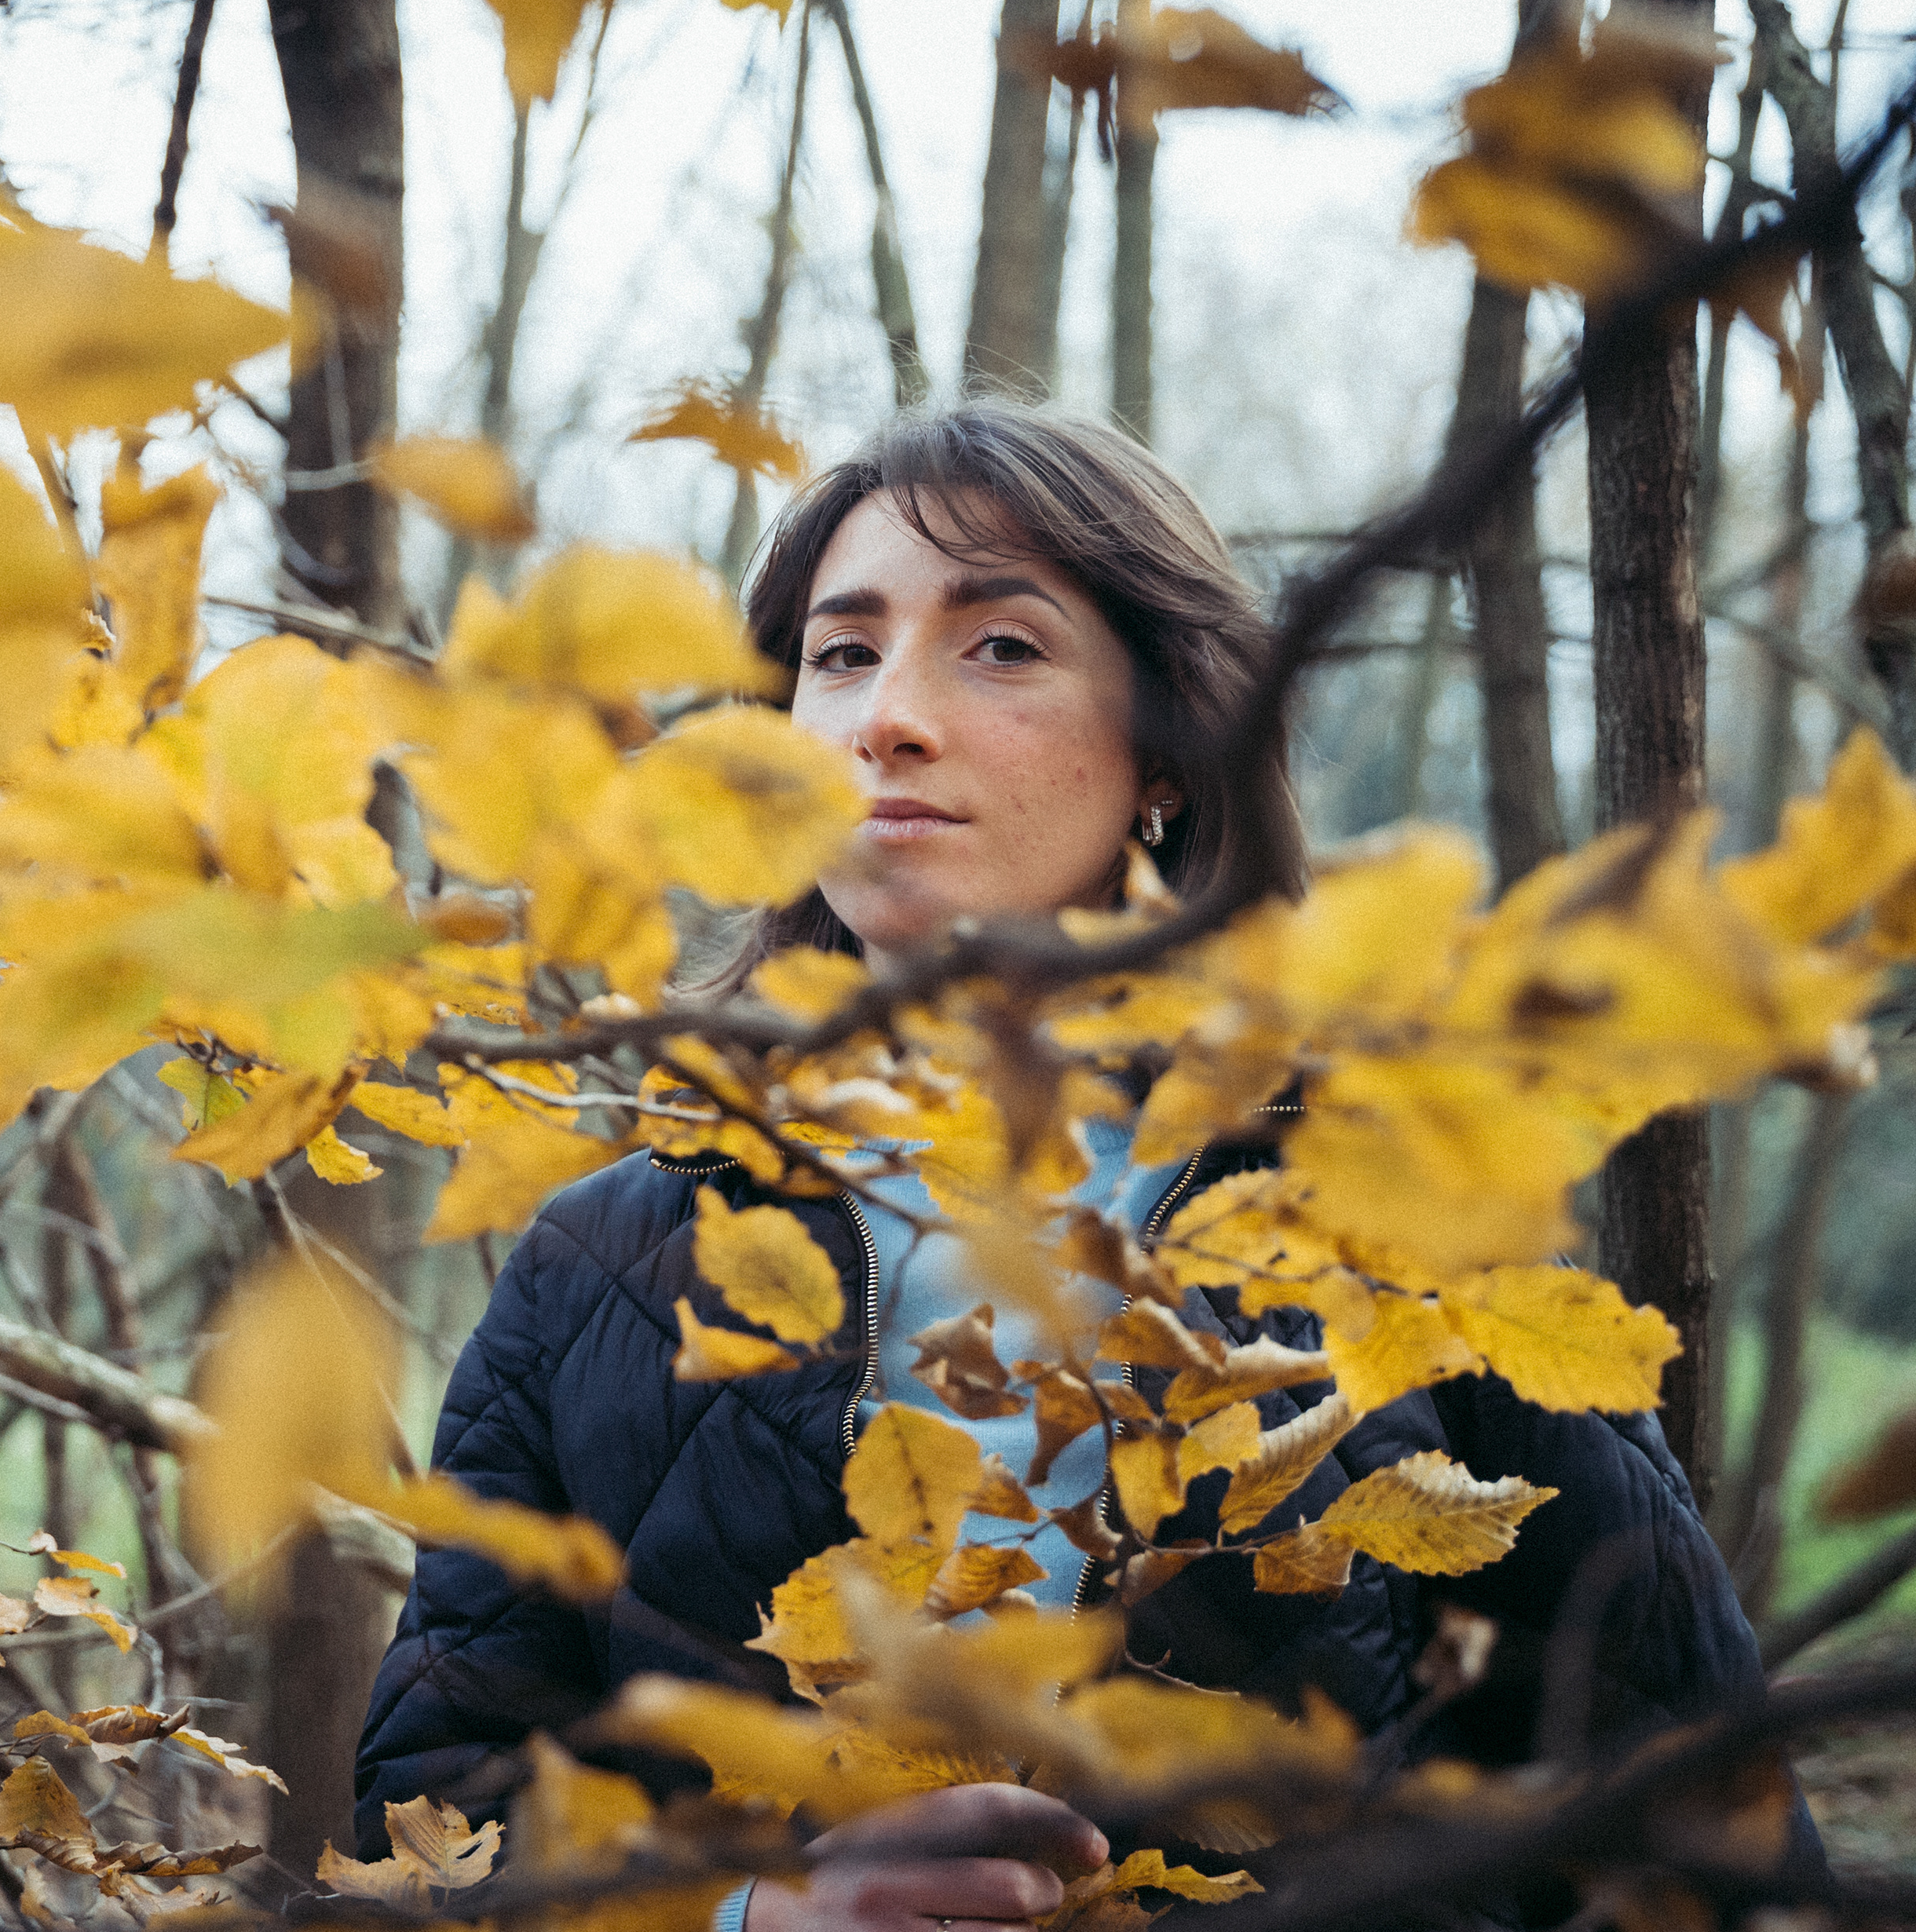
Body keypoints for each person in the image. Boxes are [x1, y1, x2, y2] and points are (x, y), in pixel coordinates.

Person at [352, 403, 1790, 1930]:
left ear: (1172, 748)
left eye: (1001, 647)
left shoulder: (1402, 1220)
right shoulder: (605, 1262)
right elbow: (427, 1828)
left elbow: (1694, 1825)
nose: (885, 718)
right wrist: (751, 1923)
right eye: (841, 654)